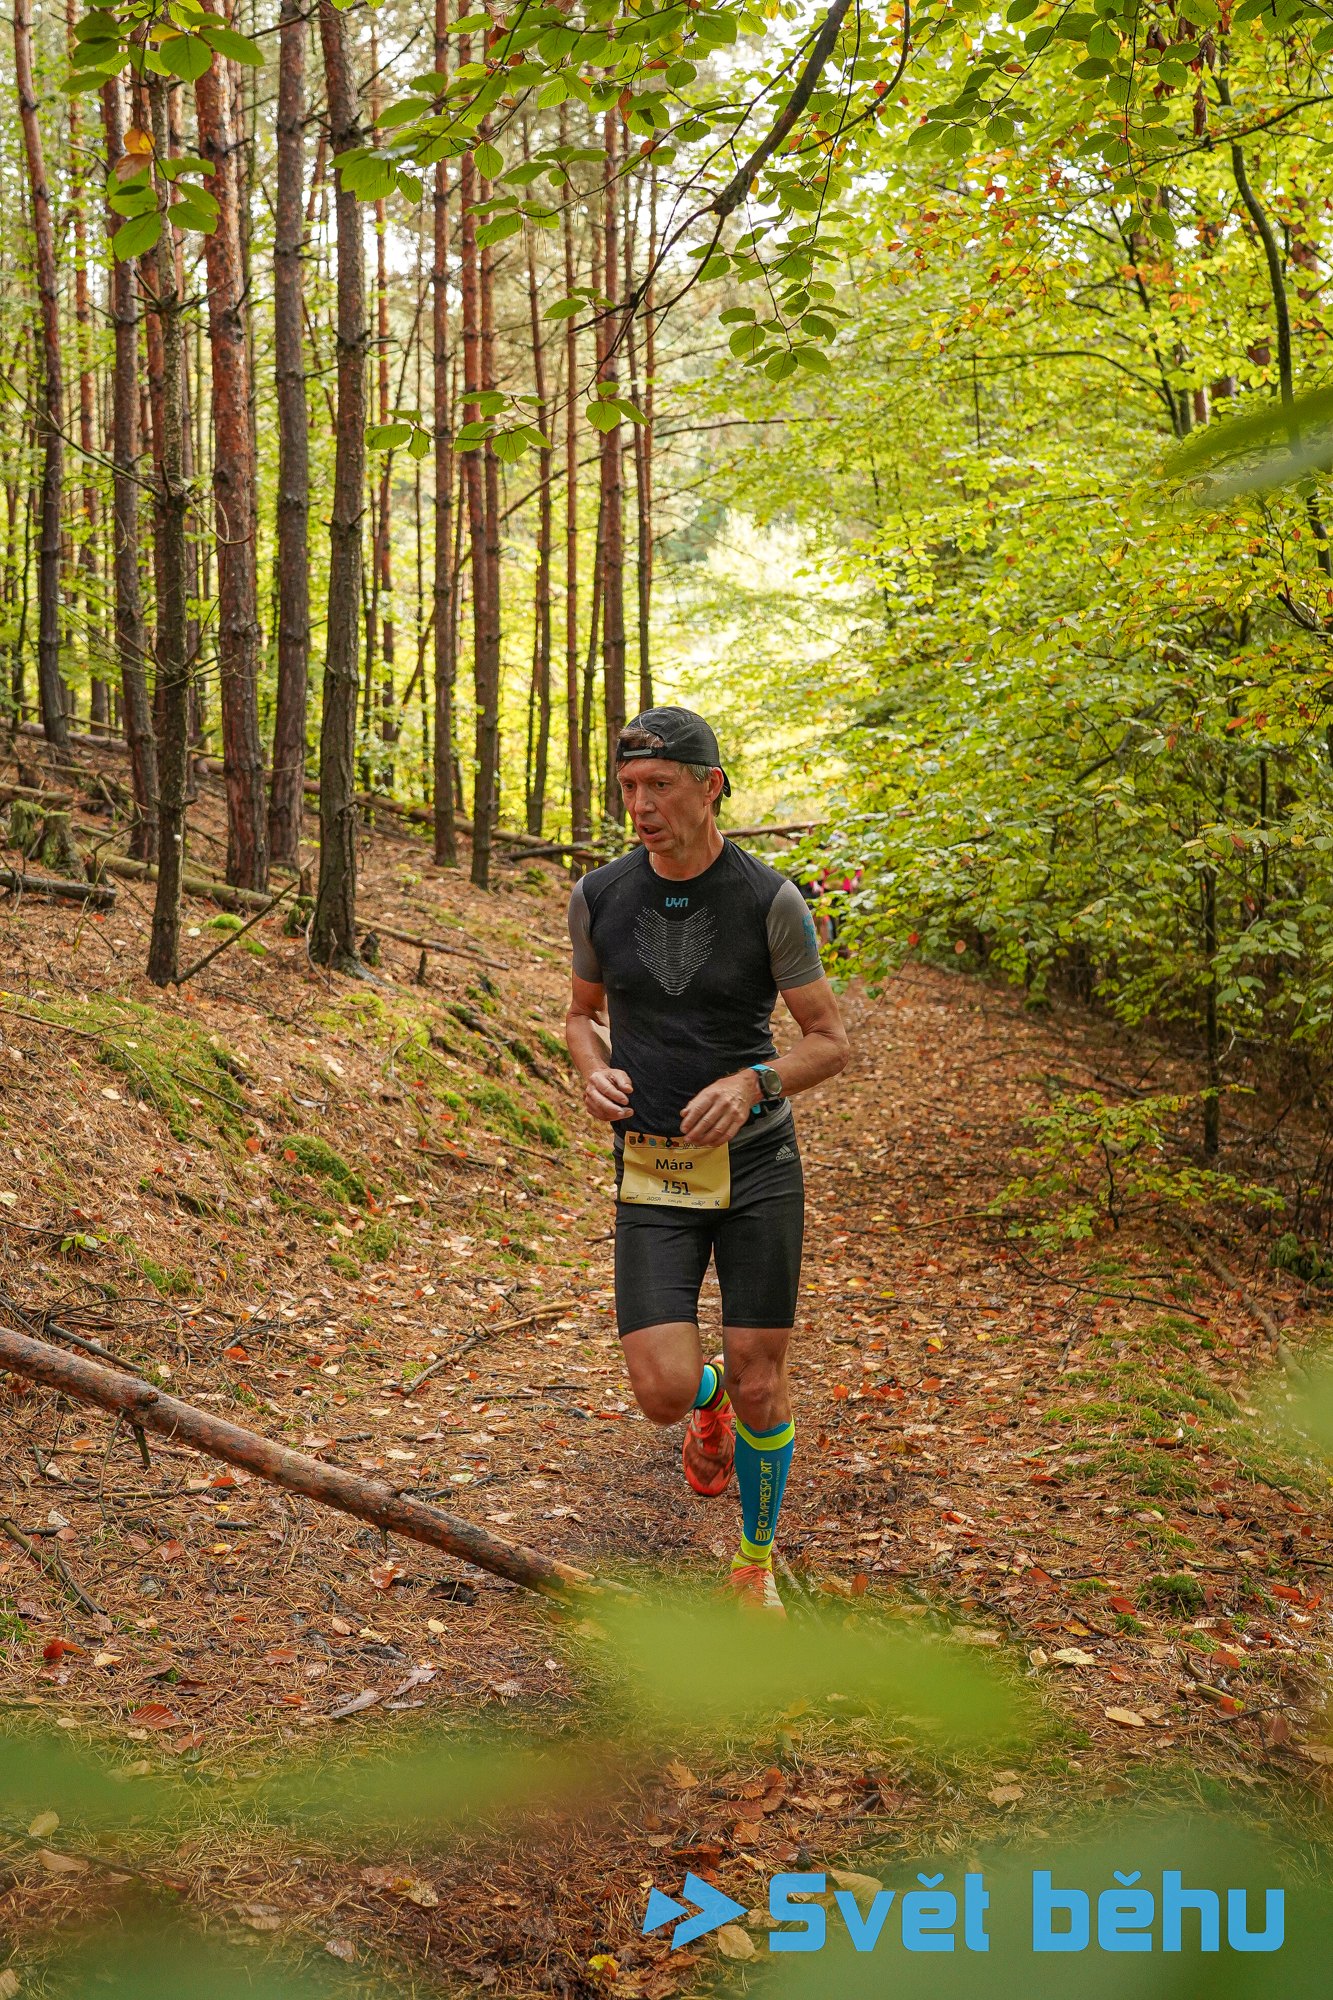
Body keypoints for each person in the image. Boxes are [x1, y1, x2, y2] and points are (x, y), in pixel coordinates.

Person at [564, 707, 850, 1614]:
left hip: (756, 1166)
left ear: (709, 786)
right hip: (654, 1166)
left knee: (766, 1376)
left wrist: (753, 1082)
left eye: (659, 786)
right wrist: (591, 1067)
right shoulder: (600, 896)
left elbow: (828, 1041)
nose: (641, 806)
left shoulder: (768, 899)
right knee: (661, 1391)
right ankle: (706, 1398)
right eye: (628, 788)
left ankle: (752, 1565)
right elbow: (579, 1014)